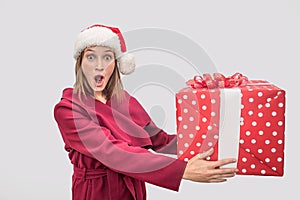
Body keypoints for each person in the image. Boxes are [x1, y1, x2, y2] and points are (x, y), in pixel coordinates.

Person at [53, 24, 238, 200]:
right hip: (96, 193)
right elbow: (112, 152)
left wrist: (214, 139)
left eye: (107, 57)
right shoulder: (68, 109)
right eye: (91, 57)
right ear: (80, 63)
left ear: (117, 65)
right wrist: (181, 170)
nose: (99, 65)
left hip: (132, 187)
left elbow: (160, 141)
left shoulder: (125, 101)